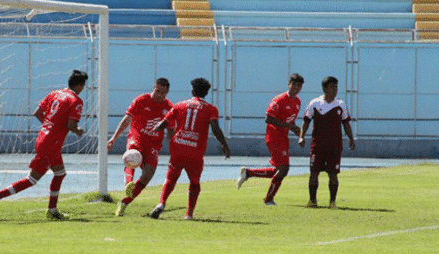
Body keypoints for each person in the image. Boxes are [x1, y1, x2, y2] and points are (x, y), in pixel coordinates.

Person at [0, 70, 89, 220]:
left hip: (44, 138)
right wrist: (78, 131)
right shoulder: (76, 101)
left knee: (60, 174)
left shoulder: (54, 94)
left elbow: (38, 112)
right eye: (83, 85)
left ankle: (52, 210)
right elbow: (71, 124)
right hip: (51, 144)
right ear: (80, 85)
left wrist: (50, 126)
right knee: (32, 180)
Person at [150, 78, 230, 220]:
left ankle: (161, 203)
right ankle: (189, 214)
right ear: (206, 93)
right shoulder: (211, 109)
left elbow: (162, 124)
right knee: (194, 182)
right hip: (195, 150)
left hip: (178, 147)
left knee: (171, 178)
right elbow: (215, 128)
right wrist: (224, 145)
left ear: (192, 91)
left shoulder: (180, 105)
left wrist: (152, 132)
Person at [107, 78, 173, 216]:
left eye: (162, 93)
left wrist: (173, 145)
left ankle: (124, 202)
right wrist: (114, 138)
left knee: (148, 174)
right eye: (157, 91)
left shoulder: (168, 108)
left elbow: (171, 130)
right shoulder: (141, 100)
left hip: (154, 144)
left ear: (166, 93)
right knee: (132, 155)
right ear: (153, 88)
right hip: (137, 138)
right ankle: (128, 183)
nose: (159, 95)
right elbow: (126, 120)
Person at [237, 73, 304, 206]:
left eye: (299, 86)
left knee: (279, 170)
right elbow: (268, 118)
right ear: (288, 84)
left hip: (283, 137)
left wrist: (299, 133)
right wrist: (288, 126)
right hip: (274, 136)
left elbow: (290, 122)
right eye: (294, 85)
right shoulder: (279, 99)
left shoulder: (297, 102)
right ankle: (268, 200)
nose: (296, 88)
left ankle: (249, 173)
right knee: (284, 169)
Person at [298, 76, 356, 209]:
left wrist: (351, 139)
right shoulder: (315, 103)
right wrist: (301, 136)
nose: (335, 90)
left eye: (336, 87)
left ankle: (332, 202)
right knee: (314, 173)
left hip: (334, 146)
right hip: (317, 146)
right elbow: (306, 121)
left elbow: (346, 124)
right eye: (332, 87)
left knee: (333, 174)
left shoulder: (340, 104)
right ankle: (312, 201)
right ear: (325, 88)